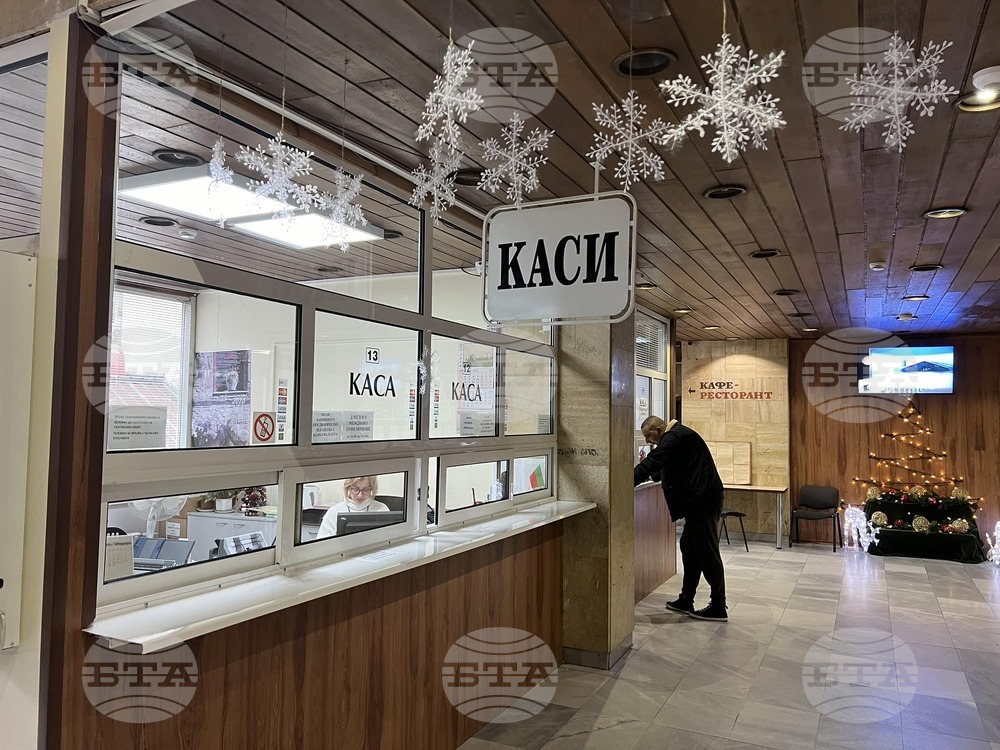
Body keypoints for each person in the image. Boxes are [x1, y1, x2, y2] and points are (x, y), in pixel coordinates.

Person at [634, 415, 728, 621]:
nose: (648, 441)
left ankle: (718, 605)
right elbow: (666, 468)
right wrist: (649, 473)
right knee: (689, 548)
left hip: (702, 502)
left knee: (707, 552)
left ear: (659, 430)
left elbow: (656, 461)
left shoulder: (675, 437)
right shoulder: (677, 437)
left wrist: (625, 480)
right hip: (697, 503)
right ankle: (686, 598)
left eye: (648, 436)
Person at [318, 476, 389, 538]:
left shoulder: (381, 509)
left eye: (366, 490)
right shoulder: (333, 512)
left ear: (372, 489)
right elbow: (322, 544)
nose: (360, 495)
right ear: (348, 487)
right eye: (355, 489)